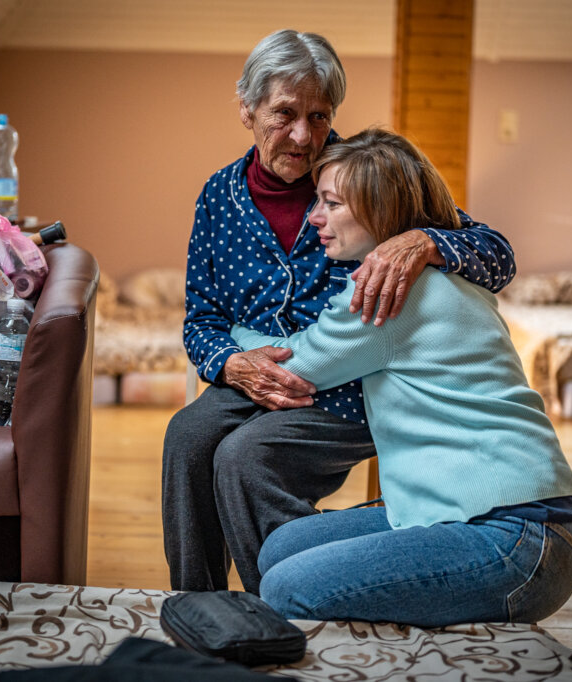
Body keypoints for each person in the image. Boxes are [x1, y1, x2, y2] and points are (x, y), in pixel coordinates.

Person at [163, 29, 518, 596]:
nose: (304, 136)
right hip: (258, 373)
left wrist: (424, 239)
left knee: (246, 457)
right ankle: (198, 605)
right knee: (186, 435)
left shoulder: (364, 176)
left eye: (320, 116)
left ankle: (285, 607)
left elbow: (497, 256)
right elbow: (200, 318)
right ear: (248, 110)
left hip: (352, 384)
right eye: (284, 114)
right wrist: (232, 365)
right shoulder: (217, 197)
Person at [229, 127, 572, 627]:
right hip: (489, 517)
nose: (314, 219)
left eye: (331, 204)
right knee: (281, 549)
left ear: (379, 211)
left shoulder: (388, 295)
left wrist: (227, 337)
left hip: (517, 538)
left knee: (287, 587)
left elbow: (291, 366)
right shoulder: (441, 274)